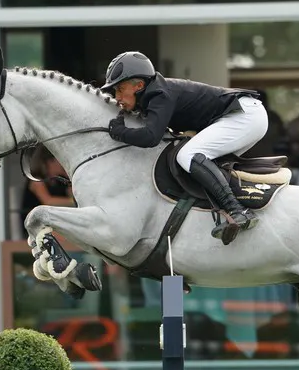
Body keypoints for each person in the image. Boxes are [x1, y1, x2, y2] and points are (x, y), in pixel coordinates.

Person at [100, 51, 267, 245]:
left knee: (188, 155)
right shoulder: (153, 95)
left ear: (139, 86)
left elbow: (150, 137)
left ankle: (238, 211)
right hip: (244, 115)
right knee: (195, 166)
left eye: (120, 89)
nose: (117, 96)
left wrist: (118, 132)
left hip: (245, 115)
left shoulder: (160, 94)